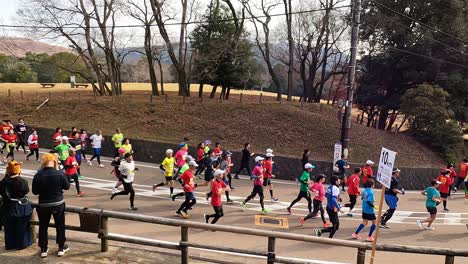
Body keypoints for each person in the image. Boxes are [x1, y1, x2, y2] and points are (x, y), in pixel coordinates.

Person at [32, 153, 70, 258]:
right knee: (60, 226)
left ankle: (44, 249)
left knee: (43, 226)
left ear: (43, 162)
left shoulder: (38, 174)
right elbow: (67, 187)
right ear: (54, 161)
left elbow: (35, 192)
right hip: (58, 203)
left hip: (43, 204)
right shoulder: (59, 173)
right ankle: (61, 248)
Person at [0, 161, 33, 250]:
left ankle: (10, 245)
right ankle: (21, 245)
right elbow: (26, 191)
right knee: (21, 228)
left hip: (7, 207)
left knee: (9, 228)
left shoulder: (3, 182)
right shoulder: (22, 181)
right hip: (21, 207)